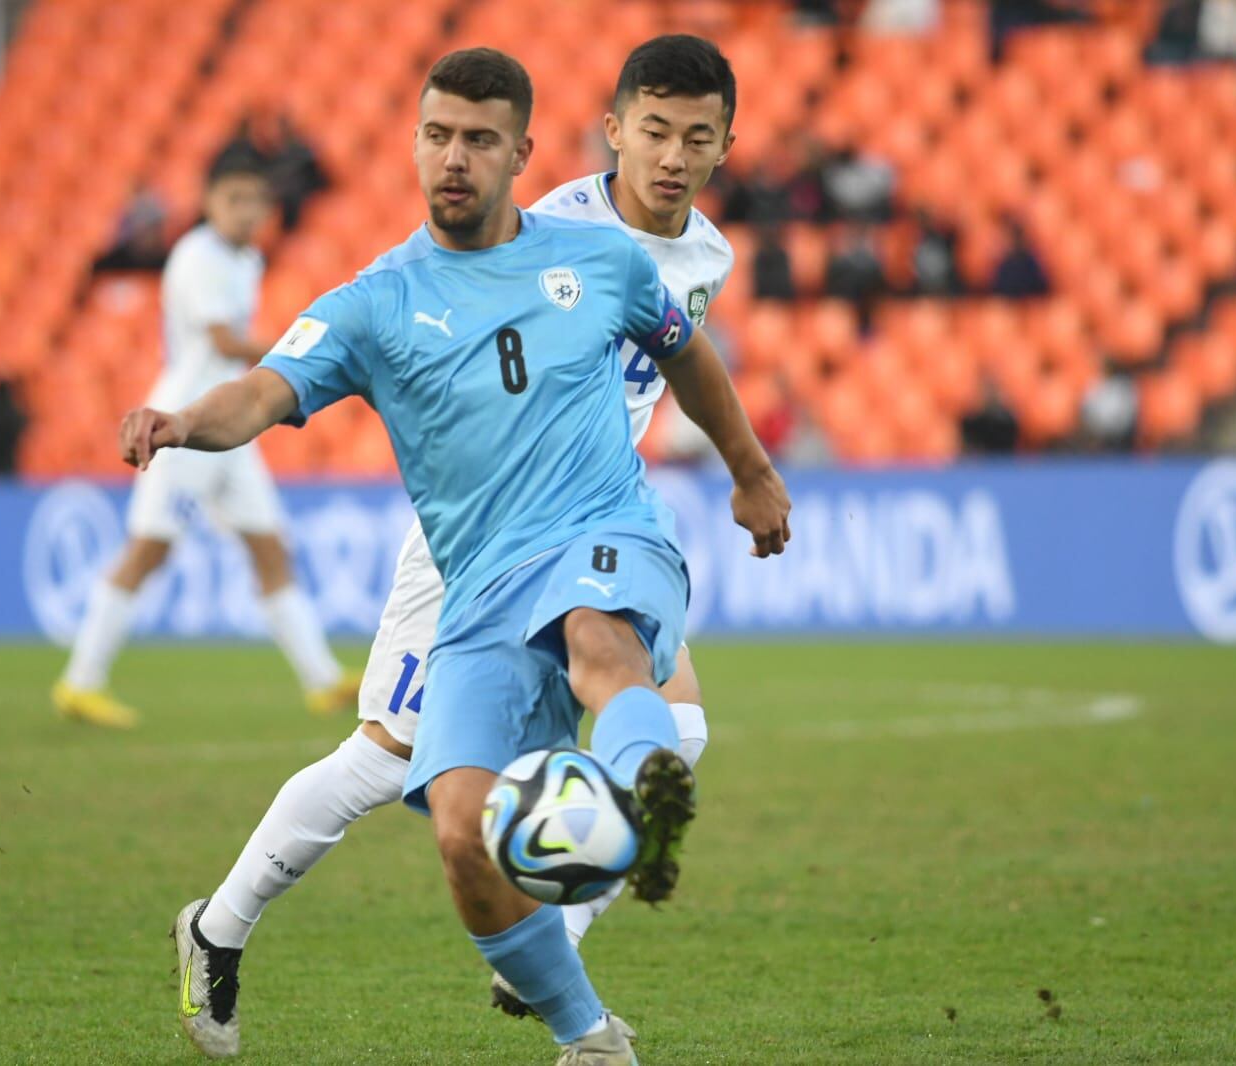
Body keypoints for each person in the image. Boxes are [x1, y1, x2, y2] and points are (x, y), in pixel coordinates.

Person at [133, 46, 789, 1064]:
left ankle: (553, 938)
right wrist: (188, 421)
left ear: (723, 149)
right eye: (653, 131)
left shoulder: (701, 255)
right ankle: (219, 923)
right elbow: (278, 382)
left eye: (695, 138)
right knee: (380, 763)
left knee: (669, 715)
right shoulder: (559, 231)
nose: (671, 156)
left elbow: (678, 361)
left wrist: (748, 468)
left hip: (592, 522)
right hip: (471, 547)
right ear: (610, 131)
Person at [53, 144, 356, 729]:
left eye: (255, 201)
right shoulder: (197, 256)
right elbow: (220, 341)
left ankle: (321, 680)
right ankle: (79, 682)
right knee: (150, 550)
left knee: (269, 546)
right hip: (184, 422)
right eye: (233, 199)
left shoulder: (246, 260)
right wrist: (291, 351)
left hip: (232, 425)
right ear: (208, 202)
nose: (246, 211)